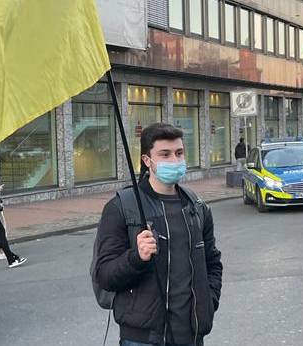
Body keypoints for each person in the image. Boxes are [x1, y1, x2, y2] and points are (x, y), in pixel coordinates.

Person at [93, 123, 223, 346]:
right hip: (143, 338)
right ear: (147, 161)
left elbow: (212, 262)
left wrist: (209, 302)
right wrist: (136, 258)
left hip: (192, 335)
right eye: (165, 154)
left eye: (179, 153)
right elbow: (104, 275)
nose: (174, 160)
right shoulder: (122, 208)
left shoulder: (197, 207)